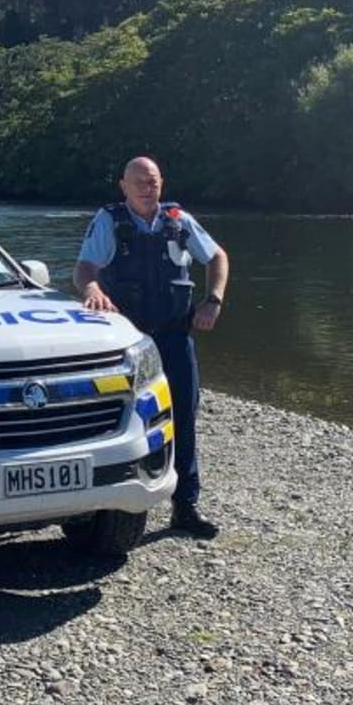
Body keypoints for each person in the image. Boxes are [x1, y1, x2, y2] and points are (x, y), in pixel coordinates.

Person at [73, 157, 229, 538]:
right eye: (140, 182)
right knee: (120, 417)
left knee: (183, 418)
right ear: (123, 185)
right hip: (129, 341)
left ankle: (186, 506)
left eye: (154, 181)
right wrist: (91, 289)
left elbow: (218, 257)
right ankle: (106, 503)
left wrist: (213, 301)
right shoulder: (110, 220)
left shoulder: (178, 220)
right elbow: (85, 268)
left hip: (176, 337)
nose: (148, 188)